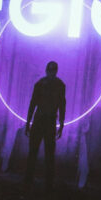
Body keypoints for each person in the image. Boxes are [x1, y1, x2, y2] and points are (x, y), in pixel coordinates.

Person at [24, 61, 66, 191]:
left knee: (38, 153)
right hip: (46, 121)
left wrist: (28, 122)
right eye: (51, 70)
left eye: (52, 70)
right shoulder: (59, 85)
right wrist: (61, 124)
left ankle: (33, 182)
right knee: (45, 154)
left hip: (43, 120)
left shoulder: (42, 84)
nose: (51, 73)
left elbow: (33, 104)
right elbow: (61, 106)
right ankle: (46, 184)